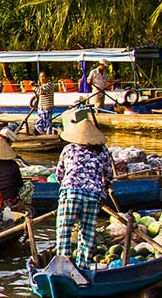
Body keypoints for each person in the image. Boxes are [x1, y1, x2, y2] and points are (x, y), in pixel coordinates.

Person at [49, 112, 114, 283]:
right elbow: (108, 175)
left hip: (70, 193)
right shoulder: (103, 151)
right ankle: (83, 268)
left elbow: (59, 174)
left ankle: (63, 269)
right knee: (87, 233)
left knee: (64, 230)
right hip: (93, 196)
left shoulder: (69, 149)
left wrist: (66, 186)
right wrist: (104, 189)